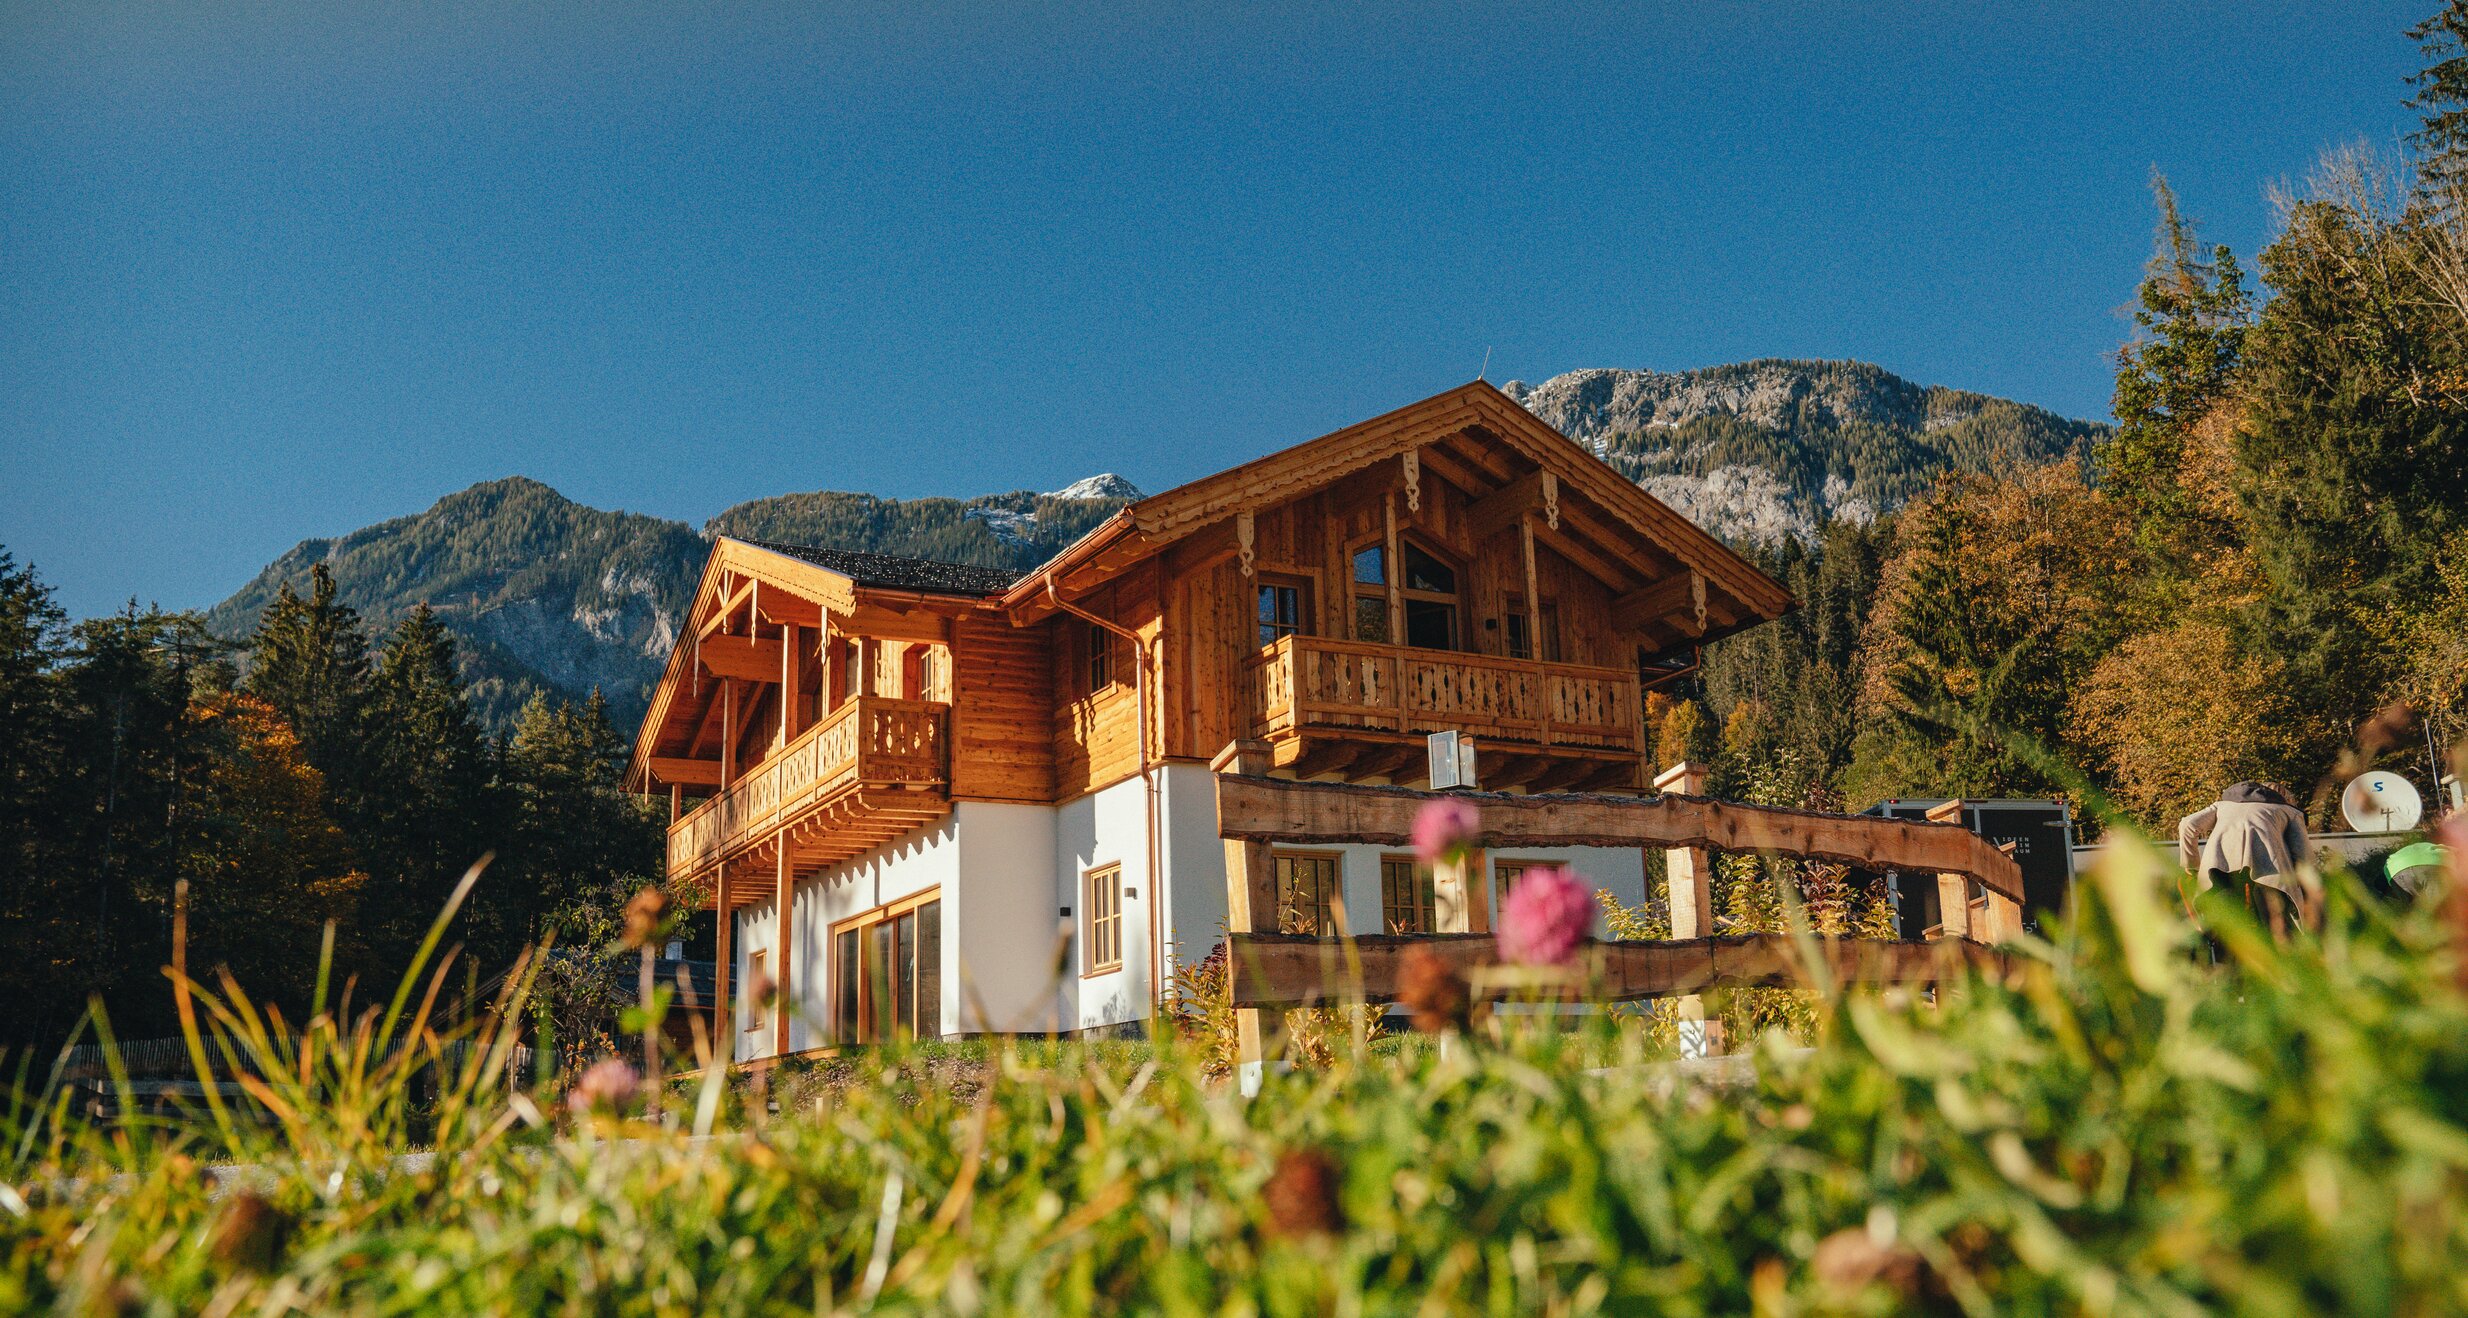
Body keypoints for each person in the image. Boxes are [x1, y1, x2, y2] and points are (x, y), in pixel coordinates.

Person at [2178, 781, 2313, 934]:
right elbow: (2304, 857)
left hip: (2219, 870)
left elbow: (2187, 825)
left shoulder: (2222, 806)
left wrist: (2192, 866)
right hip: (2270, 873)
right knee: (2278, 926)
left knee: (2222, 926)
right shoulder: (2289, 811)